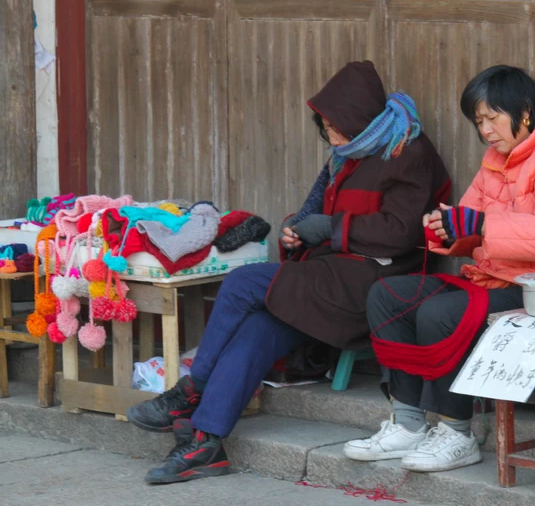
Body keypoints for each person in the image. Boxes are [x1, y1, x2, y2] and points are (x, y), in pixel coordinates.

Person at [126, 60, 451, 484]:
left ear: (358, 118)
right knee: (256, 329)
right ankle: (206, 443)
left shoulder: (407, 150)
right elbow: (318, 213)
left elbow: (401, 232)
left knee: (244, 282)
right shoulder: (347, 155)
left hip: (377, 284)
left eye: (336, 126)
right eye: (326, 126)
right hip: (329, 277)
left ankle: (189, 391)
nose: (331, 135)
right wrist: (299, 231)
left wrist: (331, 230)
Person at [343, 65, 535, 472]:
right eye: (478, 121)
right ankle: (408, 423)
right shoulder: (498, 158)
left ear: (523, 111)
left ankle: (456, 432)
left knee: (442, 312)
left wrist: (481, 226)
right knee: (389, 295)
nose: (485, 130)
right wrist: (447, 229)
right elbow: (471, 221)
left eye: (491, 118)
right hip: (498, 278)